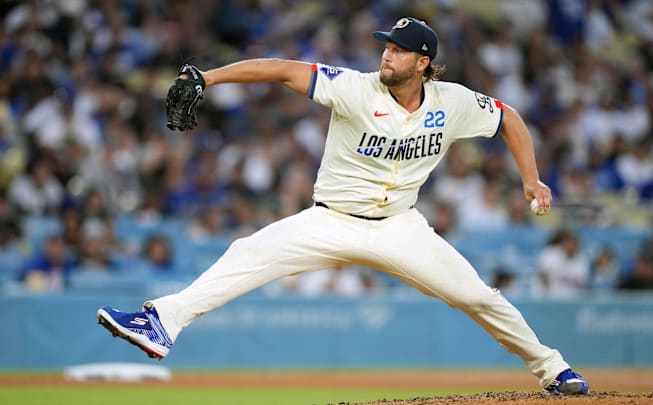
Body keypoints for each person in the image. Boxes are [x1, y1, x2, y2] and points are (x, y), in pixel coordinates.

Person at [97, 17, 588, 395]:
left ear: (423, 62)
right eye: (386, 46)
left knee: (477, 297)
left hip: (400, 228)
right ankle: (162, 322)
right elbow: (282, 70)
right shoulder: (356, 87)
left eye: (398, 50)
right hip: (329, 220)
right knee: (247, 251)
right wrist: (208, 77)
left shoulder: (452, 102)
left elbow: (509, 118)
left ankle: (552, 368)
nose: (386, 54)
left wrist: (532, 178)